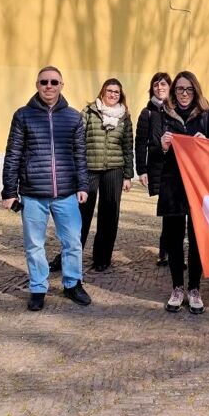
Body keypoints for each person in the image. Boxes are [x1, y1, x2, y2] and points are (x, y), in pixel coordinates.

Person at [1, 66, 91, 311]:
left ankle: (72, 283)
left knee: (72, 241)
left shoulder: (73, 117)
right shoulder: (23, 116)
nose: (48, 86)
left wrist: (83, 185)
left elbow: (80, 155)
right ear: (37, 85)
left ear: (62, 85)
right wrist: (9, 191)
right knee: (34, 244)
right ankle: (38, 287)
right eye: (44, 82)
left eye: (54, 82)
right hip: (33, 193)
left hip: (66, 192)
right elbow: (14, 154)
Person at [157, 71, 209, 314]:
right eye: (180, 89)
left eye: (189, 89)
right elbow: (151, 153)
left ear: (196, 91)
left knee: (197, 238)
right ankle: (177, 287)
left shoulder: (206, 116)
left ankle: (194, 288)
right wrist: (162, 147)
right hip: (172, 184)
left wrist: (206, 144)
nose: (184, 94)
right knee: (173, 239)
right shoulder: (162, 115)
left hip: (199, 186)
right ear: (173, 91)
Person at [78, 78, 134, 272]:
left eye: (116, 92)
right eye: (109, 91)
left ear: (121, 95)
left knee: (109, 215)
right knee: (81, 214)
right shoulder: (89, 112)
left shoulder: (125, 117)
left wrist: (128, 176)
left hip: (114, 169)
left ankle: (102, 257)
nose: (112, 94)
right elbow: (78, 142)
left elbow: (128, 147)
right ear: (102, 92)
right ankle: (72, 255)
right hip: (89, 168)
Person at [136, 72, 171, 266]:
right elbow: (140, 142)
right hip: (157, 164)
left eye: (164, 84)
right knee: (166, 207)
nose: (160, 88)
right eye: (156, 85)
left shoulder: (176, 110)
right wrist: (141, 169)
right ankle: (164, 250)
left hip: (175, 163)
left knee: (173, 209)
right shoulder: (147, 112)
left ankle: (170, 250)